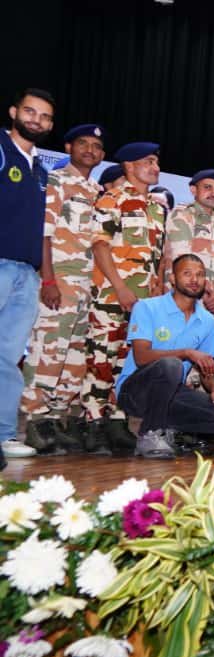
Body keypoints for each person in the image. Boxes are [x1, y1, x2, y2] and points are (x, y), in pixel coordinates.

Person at [21, 123, 104, 455]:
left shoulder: (97, 191)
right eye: (83, 143)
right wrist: (49, 280)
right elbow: (44, 233)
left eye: (96, 146)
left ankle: (57, 418)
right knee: (48, 350)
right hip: (60, 278)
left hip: (86, 285)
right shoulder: (56, 181)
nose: (90, 150)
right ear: (68, 148)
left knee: (73, 356)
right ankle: (35, 419)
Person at [81, 141, 166, 455]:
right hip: (111, 294)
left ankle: (117, 421)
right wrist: (119, 286)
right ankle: (92, 422)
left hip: (143, 302)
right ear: (129, 165)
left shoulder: (157, 208)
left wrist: (157, 289)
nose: (155, 167)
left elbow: (157, 256)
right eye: (149, 161)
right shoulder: (112, 198)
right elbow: (100, 245)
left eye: (156, 162)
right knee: (102, 357)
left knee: (126, 361)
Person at [115, 254, 214, 458]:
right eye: (187, 273)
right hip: (135, 391)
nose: (194, 279)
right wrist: (186, 352)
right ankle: (150, 433)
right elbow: (141, 357)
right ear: (173, 279)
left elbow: (206, 367)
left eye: (200, 275)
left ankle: (164, 427)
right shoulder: (147, 307)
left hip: (171, 392)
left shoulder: (207, 320)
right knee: (171, 365)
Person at [0, 88, 54, 462]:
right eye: (30, 112)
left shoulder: (40, 170)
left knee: (7, 358)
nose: (37, 120)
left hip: (26, 273)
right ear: (14, 112)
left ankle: (4, 434)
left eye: (45, 116)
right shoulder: (2, 150)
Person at [158, 169, 214, 369]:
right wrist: (207, 289)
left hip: (207, 304)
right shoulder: (183, 214)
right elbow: (182, 262)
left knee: (204, 365)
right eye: (207, 187)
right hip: (182, 302)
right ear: (193, 190)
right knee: (177, 360)